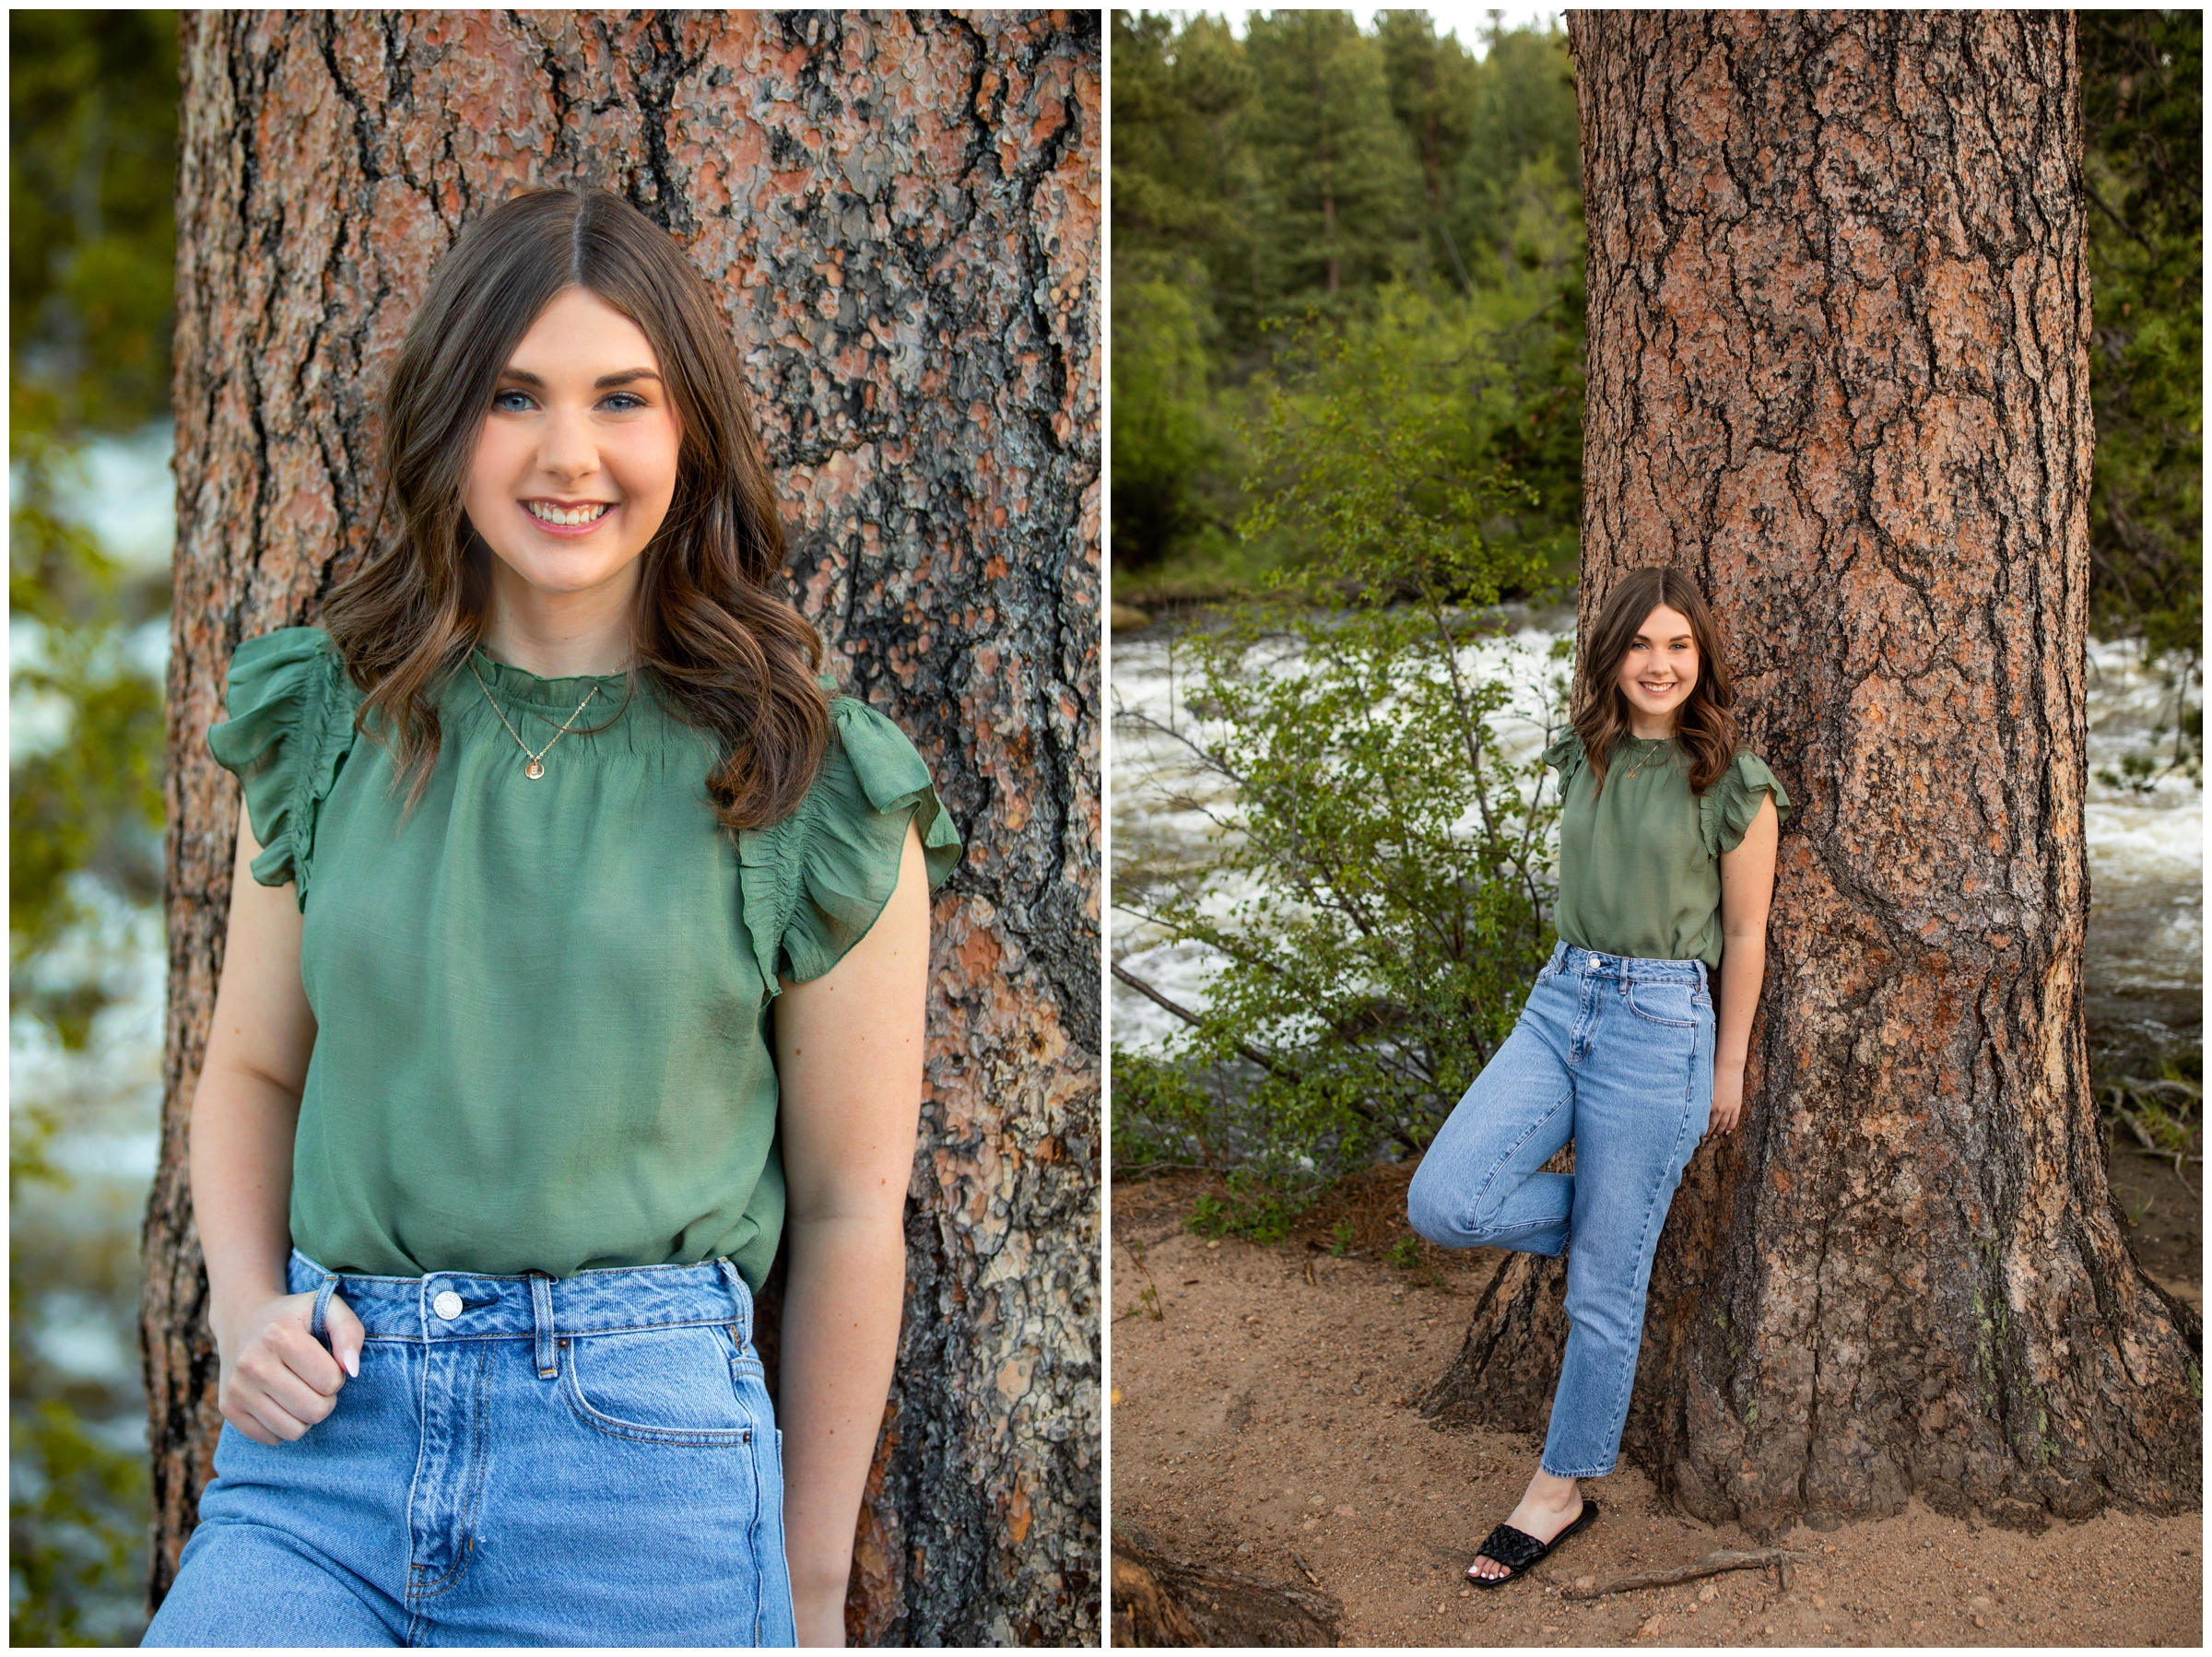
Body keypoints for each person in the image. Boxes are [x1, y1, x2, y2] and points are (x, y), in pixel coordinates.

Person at [142, 189, 961, 1648]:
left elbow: (848, 1214)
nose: (567, 453)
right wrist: (244, 1311)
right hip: (322, 1450)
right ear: (447, 417)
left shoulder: (807, 776)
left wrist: (814, 1591)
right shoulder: (329, 715)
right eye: (512, 394)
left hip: (637, 1473)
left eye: (621, 398)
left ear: (687, 430)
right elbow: (255, 1072)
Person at [1406, 566, 1784, 1588]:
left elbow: (1745, 935)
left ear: (1701, 660)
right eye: (1641, 645)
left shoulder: (1732, 781)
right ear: (1611, 654)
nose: (1659, 664)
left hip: (1662, 1025)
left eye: (1679, 647)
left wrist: (1730, 1061)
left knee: (1604, 1296)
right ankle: (1616, 1214)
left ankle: (1560, 1486)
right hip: (1559, 1000)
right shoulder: (1584, 753)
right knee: (1445, 1199)